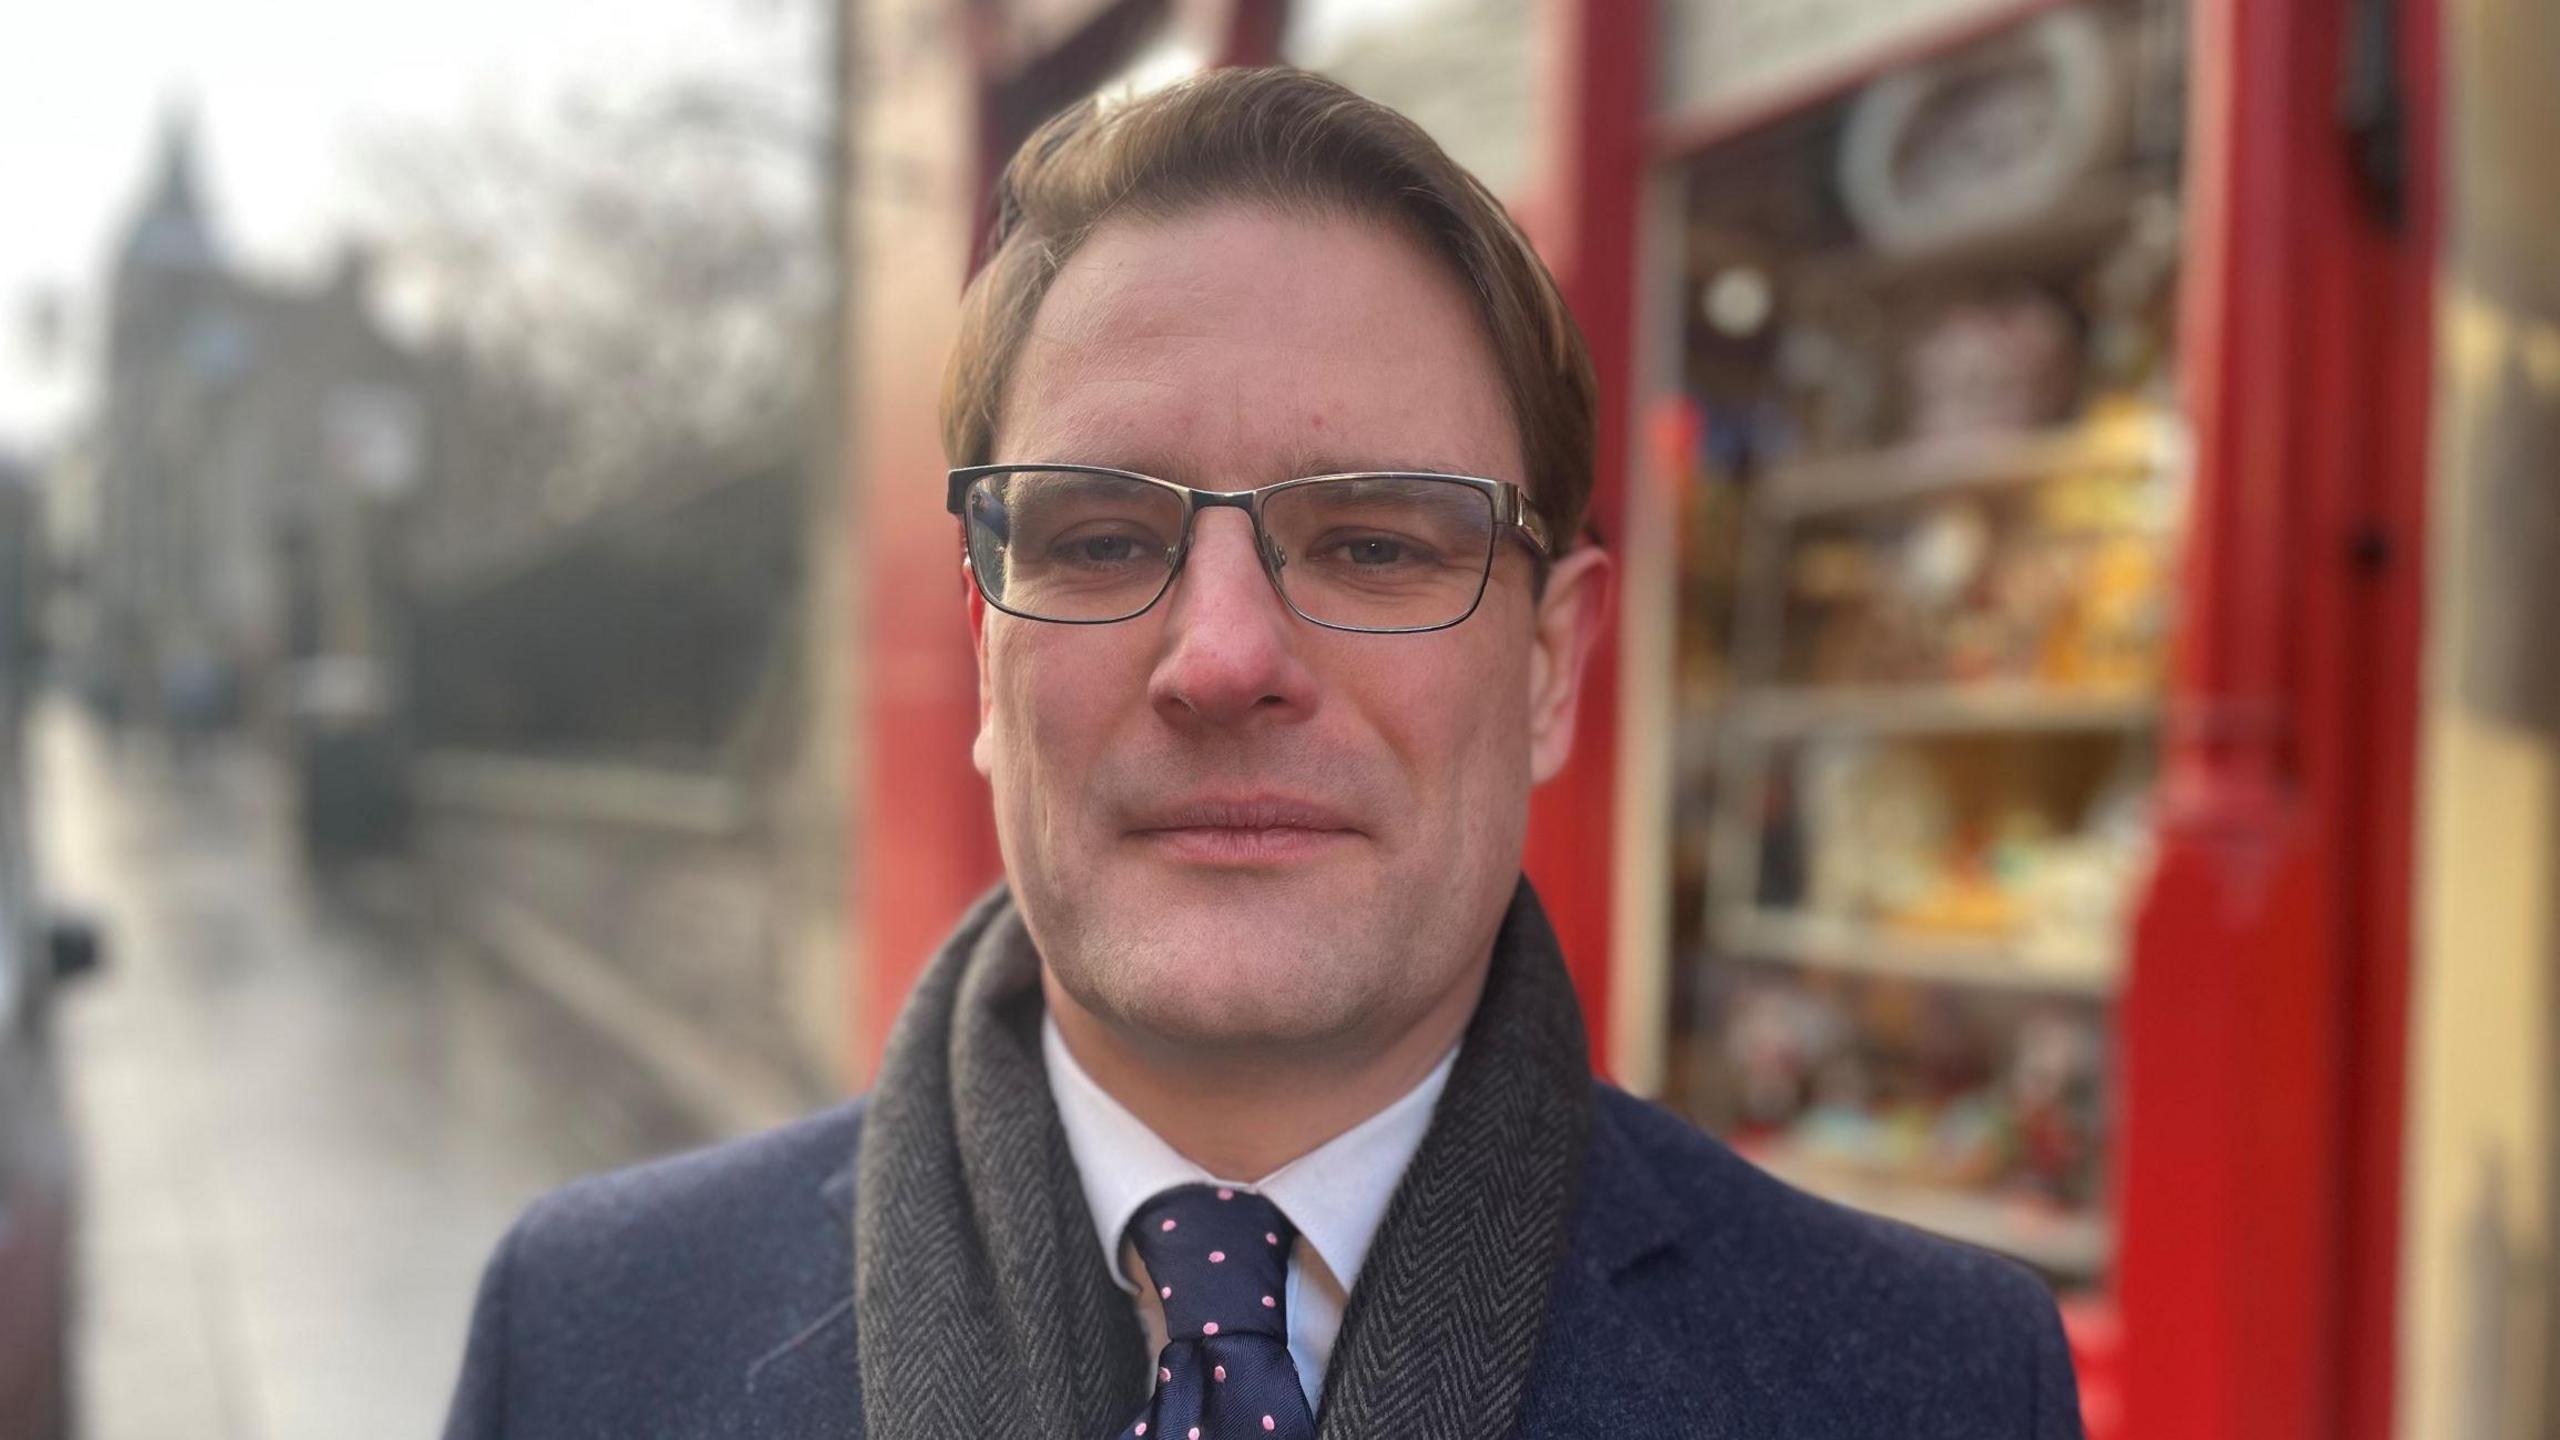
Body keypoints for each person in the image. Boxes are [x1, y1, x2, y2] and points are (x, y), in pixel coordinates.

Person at [440, 67, 2085, 1440]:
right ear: (984, 656)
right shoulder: (587, 1340)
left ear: (1550, 671)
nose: (1222, 660)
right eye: (1095, 539)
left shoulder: (1935, 1385)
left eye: (1374, 545)